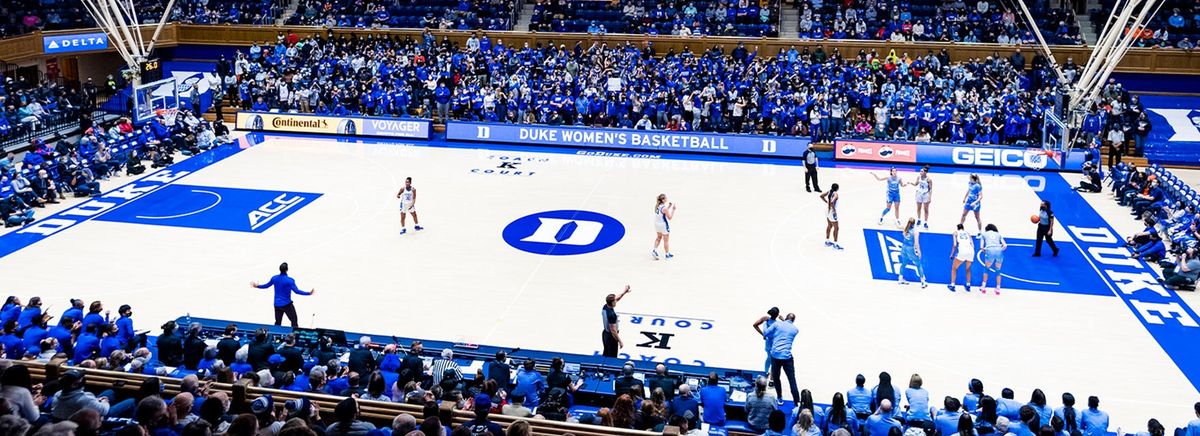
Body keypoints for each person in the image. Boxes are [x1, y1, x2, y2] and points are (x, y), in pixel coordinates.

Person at [250, 262, 316, 328]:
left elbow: (266, 286)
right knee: (294, 320)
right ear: (287, 269)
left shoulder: (274, 278)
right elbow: (297, 291)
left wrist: (257, 286)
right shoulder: (290, 280)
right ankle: (294, 336)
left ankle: (276, 336)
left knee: (278, 322)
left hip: (277, 304)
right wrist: (308, 293)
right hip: (287, 304)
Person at [763, 312, 800, 405]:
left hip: (775, 356)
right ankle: (797, 402)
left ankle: (779, 398)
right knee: (792, 379)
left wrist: (764, 323)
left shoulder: (777, 324)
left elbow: (766, 333)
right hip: (787, 357)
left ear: (786, 318)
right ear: (793, 320)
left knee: (776, 378)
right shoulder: (795, 329)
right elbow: (787, 329)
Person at [601, 285, 631, 358]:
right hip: (611, 337)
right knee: (612, 356)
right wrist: (620, 341)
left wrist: (624, 291)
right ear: (612, 302)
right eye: (615, 300)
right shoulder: (612, 314)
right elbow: (613, 331)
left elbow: (618, 298)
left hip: (605, 334)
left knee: (606, 353)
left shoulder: (605, 306)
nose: (616, 301)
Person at [898, 218, 928, 288]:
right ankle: (923, 282)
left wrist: (896, 222)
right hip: (910, 249)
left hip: (904, 247)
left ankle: (900, 278)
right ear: (914, 223)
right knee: (918, 264)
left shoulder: (905, 228)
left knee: (904, 263)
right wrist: (919, 252)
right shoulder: (915, 231)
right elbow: (916, 244)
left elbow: (898, 226)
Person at [979, 224, 1007, 295]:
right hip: (999, 251)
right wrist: (1000, 249)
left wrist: (985, 251)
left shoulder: (984, 234)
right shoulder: (998, 234)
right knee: (998, 270)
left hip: (990, 250)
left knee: (986, 269)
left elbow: (981, 247)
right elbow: (1005, 245)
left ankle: (983, 287)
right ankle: (998, 289)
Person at [752, 307, 781, 372]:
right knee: (772, 358)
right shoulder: (778, 323)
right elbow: (787, 328)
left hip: (768, 341)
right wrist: (783, 320)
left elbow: (755, 325)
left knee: (769, 357)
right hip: (774, 342)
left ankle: (767, 372)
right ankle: (767, 372)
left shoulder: (765, 319)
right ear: (777, 314)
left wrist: (763, 334)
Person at [949, 223, 976, 292]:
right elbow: (973, 245)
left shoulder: (955, 233)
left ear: (957, 228)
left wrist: (952, 254)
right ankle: (968, 285)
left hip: (962, 250)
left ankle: (952, 285)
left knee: (954, 268)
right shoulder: (968, 233)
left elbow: (955, 245)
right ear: (963, 228)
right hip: (971, 251)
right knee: (968, 269)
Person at [652, 193, 676, 260]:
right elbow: (670, 217)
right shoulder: (664, 208)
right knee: (666, 240)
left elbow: (662, 213)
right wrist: (673, 210)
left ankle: (654, 250)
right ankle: (667, 254)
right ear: (664, 200)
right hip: (663, 225)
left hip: (657, 224)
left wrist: (669, 207)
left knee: (658, 237)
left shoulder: (657, 206)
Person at [821, 184, 843, 249]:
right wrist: (834, 210)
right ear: (837, 188)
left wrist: (826, 202)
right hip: (831, 212)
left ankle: (827, 241)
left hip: (826, 211)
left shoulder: (829, 191)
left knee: (829, 226)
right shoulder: (836, 194)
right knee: (836, 228)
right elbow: (832, 202)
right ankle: (835, 244)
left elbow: (821, 196)